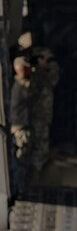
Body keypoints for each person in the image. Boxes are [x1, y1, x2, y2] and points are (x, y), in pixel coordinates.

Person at [21, 33, 59, 177]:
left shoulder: (47, 71)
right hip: (34, 111)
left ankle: (35, 167)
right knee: (33, 139)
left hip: (42, 112)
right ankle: (30, 166)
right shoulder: (35, 69)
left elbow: (53, 79)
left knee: (40, 141)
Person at [9, 56, 34, 196]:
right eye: (26, 67)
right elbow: (32, 94)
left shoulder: (17, 84)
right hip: (20, 128)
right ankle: (19, 189)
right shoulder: (19, 87)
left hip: (19, 126)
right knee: (21, 158)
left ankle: (20, 187)